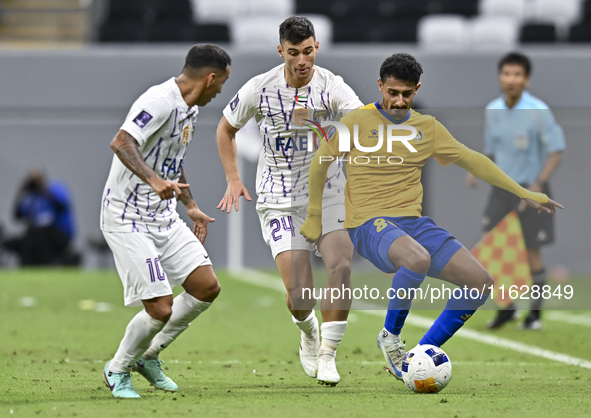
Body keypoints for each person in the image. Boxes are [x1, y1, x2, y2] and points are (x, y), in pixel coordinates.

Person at [300, 53, 563, 381]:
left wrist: (523, 191)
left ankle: (418, 356)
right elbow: (320, 162)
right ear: (380, 86)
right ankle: (391, 338)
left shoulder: (427, 128)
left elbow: (472, 160)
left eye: (406, 94)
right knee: (417, 259)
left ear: (416, 90)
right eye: (392, 92)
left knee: (480, 283)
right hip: (368, 223)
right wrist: (314, 214)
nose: (398, 101)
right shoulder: (356, 122)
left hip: (412, 222)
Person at [216, 16, 363, 386]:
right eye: (294, 52)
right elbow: (225, 128)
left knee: (341, 265)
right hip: (278, 198)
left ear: (317, 48)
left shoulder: (332, 86)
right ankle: (309, 331)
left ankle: (328, 355)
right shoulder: (259, 89)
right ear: (281, 51)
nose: (302, 60)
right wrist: (233, 178)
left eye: (308, 51)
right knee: (300, 294)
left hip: (326, 194)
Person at [100, 44, 231, 398]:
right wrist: (154, 181)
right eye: (221, 85)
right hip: (127, 218)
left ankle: (150, 355)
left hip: (163, 216)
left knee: (206, 287)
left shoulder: (189, 110)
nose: (220, 92)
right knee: (160, 307)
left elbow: (172, 159)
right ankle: (118, 369)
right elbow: (122, 141)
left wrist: (189, 204)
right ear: (210, 78)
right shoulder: (158, 100)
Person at [467, 52, 565, 331]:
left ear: (527, 79)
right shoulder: (492, 110)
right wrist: (474, 169)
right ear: (500, 77)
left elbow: (556, 152)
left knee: (532, 250)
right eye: (507, 73)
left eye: (517, 74)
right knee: (489, 248)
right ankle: (506, 309)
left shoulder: (538, 111)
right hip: (502, 190)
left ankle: (534, 316)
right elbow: (491, 151)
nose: (511, 79)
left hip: (532, 189)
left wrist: (537, 184)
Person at [2, 169, 77, 266]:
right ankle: (26, 268)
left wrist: (43, 190)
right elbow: (17, 217)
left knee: (38, 233)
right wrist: (21, 193)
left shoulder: (56, 188)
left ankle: (44, 265)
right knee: (27, 237)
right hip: (36, 238)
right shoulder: (32, 197)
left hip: (59, 235)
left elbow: (62, 207)